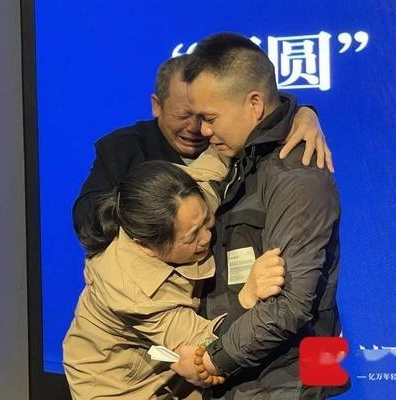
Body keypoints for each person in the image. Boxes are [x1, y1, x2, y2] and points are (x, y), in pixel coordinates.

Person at [169, 33, 348, 399]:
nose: (203, 131)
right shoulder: (241, 159)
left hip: (283, 384)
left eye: (210, 118)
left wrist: (212, 360)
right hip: (245, 378)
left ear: (254, 104)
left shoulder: (296, 177)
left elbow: (290, 305)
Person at [63, 150, 287, 400]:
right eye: (192, 237)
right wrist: (247, 297)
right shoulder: (134, 293)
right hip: (117, 385)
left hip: (162, 364)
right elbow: (206, 344)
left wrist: (295, 125)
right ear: (147, 246)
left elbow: (219, 155)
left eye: (206, 221)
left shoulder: (182, 199)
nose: (207, 237)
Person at [72, 54, 334, 240]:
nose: (197, 128)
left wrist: (302, 112)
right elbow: (87, 219)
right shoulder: (123, 148)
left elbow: (263, 116)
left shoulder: (230, 140)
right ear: (157, 105)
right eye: (183, 115)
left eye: (206, 116)